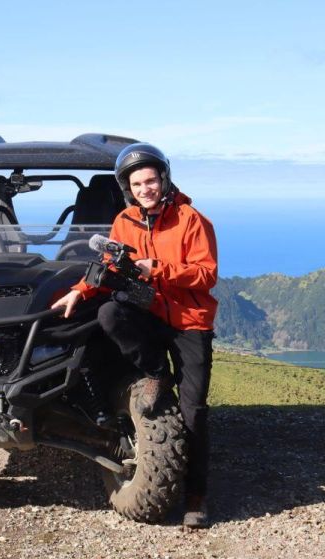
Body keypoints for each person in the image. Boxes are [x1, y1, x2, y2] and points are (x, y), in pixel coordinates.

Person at [51, 142, 218, 528]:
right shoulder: (124, 220)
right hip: (149, 314)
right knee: (110, 312)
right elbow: (108, 264)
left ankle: (196, 497)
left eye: (151, 180)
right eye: (137, 183)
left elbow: (206, 274)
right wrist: (80, 291)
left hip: (190, 320)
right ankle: (155, 372)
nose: (146, 188)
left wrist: (155, 269)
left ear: (164, 179)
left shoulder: (192, 219)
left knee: (194, 412)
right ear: (128, 187)